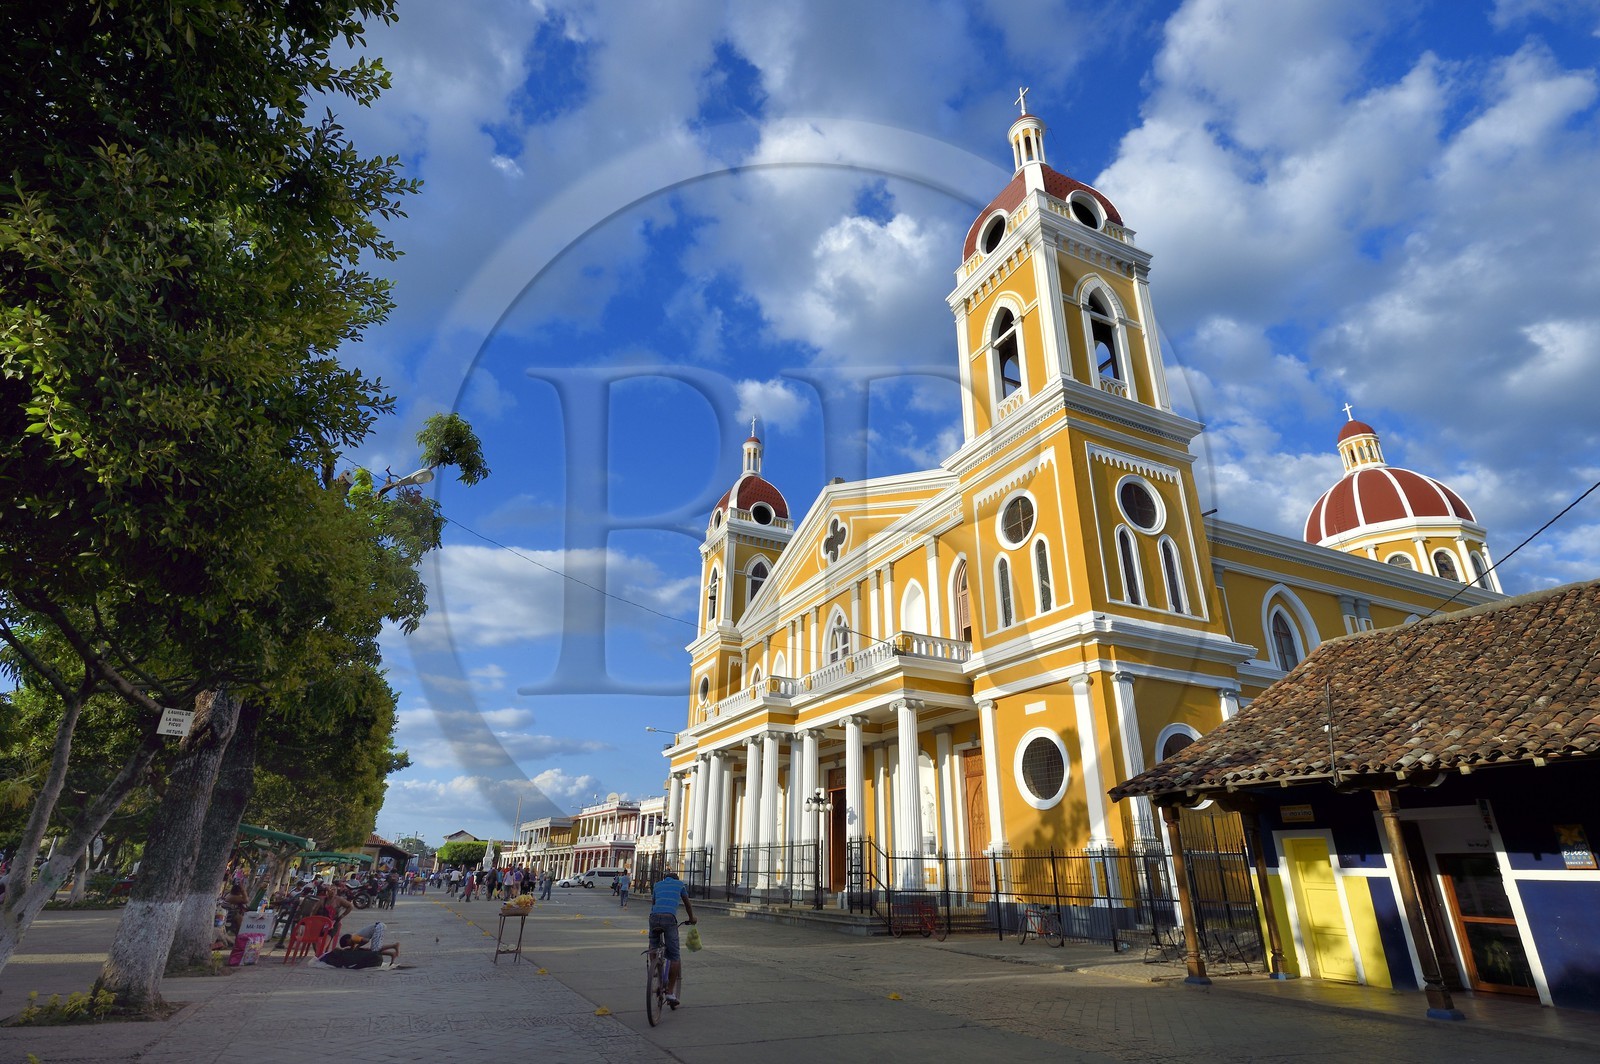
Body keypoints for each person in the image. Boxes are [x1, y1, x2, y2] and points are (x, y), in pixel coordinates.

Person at [648, 869, 696, 1008]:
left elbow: (654, 904)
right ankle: (669, 992)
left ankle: (655, 968)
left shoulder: (657, 885)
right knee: (674, 956)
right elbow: (687, 903)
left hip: (654, 918)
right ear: (675, 879)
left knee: (653, 944)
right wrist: (692, 918)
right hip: (669, 919)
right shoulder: (680, 884)